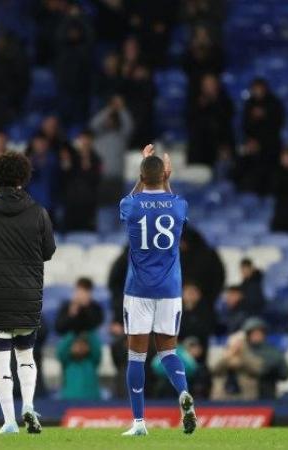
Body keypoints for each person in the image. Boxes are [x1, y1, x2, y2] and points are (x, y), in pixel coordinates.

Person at [0, 151, 56, 434]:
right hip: (28, 297)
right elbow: (49, 252)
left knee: (1, 361)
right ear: (22, 177)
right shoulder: (38, 212)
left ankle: (9, 421)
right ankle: (28, 405)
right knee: (26, 356)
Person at [119, 144, 197, 436]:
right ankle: (183, 393)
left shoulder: (131, 204)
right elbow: (170, 199)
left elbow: (132, 198)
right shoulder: (179, 204)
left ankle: (139, 423)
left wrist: (146, 172)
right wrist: (166, 178)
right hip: (170, 288)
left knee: (136, 357)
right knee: (168, 351)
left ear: (141, 175)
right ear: (165, 174)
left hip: (138, 289)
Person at [89, 95, 134, 205]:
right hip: (100, 179)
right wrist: (110, 108)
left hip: (116, 179)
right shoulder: (97, 137)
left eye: (113, 120)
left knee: (117, 211)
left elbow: (129, 125)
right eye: (108, 119)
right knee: (100, 211)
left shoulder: (121, 137)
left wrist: (121, 109)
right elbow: (93, 124)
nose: (110, 122)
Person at [242, 78, 284, 164]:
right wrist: (250, 140)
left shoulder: (274, 103)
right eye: (255, 89)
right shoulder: (249, 104)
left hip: (271, 144)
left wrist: (266, 115)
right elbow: (245, 124)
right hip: (254, 145)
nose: (258, 91)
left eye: (260, 88)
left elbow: (279, 122)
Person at [57, 331, 102, 400]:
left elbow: (96, 349)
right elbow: (61, 351)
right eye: (76, 344)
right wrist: (73, 332)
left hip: (92, 401)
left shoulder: (91, 361)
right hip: (69, 401)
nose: (80, 347)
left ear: (89, 347)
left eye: (83, 344)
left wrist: (87, 330)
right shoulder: (68, 362)